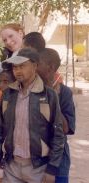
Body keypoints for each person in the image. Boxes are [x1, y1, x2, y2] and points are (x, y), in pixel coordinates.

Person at [0, 48, 65, 183]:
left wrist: (52, 168)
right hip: (11, 166)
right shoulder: (8, 95)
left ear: (35, 66)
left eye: (22, 66)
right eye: (15, 67)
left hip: (38, 167)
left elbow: (58, 135)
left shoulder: (48, 95)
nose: (17, 71)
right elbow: (0, 130)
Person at [38, 48, 75, 183]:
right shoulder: (33, 89)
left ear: (50, 67)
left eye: (38, 64)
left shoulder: (64, 93)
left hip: (58, 163)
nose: (34, 68)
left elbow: (65, 129)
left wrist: (53, 97)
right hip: (35, 163)